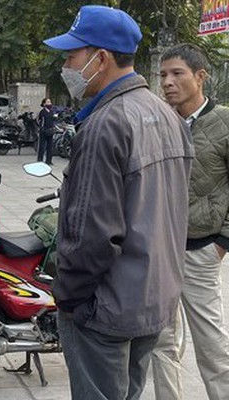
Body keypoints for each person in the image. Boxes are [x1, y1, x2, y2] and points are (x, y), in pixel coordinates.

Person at [43, 5, 193, 399]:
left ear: (101, 58)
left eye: (72, 55)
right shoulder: (168, 116)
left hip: (105, 310)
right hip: (153, 299)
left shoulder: (105, 125)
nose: (67, 65)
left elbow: (93, 233)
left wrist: (69, 298)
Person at [150, 43, 229, 400]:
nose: (168, 82)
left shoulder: (224, 122)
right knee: (162, 343)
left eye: (177, 73)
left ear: (200, 77)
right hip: (158, 253)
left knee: (212, 346)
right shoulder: (157, 122)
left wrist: (222, 244)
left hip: (201, 251)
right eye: (163, 75)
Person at [37, 98, 57, 165]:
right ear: (44, 104)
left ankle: (49, 161)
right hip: (44, 131)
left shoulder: (51, 112)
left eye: (50, 102)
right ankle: (40, 160)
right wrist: (42, 129)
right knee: (42, 146)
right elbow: (40, 121)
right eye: (48, 102)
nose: (49, 103)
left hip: (50, 130)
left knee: (50, 146)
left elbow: (52, 121)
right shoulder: (42, 112)